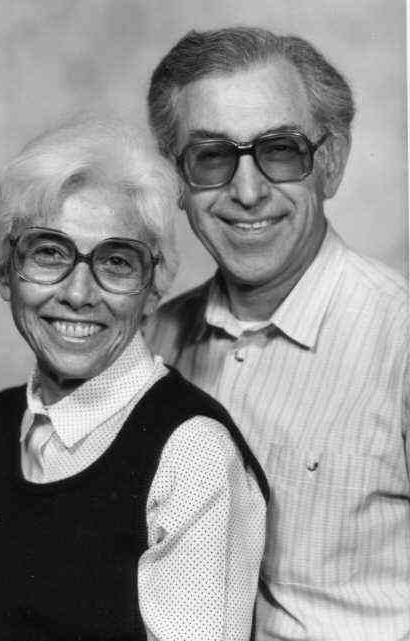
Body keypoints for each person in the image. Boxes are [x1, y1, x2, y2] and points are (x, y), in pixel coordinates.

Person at [144, 26, 410, 640]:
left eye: (281, 150)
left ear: (331, 162)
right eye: (212, 156)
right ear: (176, 181)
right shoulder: (151, 343)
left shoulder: (399, 341)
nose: (247, 191)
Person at [0, 115, 269, 641]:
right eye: (49, 252)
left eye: (117, 262)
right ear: (3, 273)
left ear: (152, 290)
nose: (79, 294)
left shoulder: (192, 454)